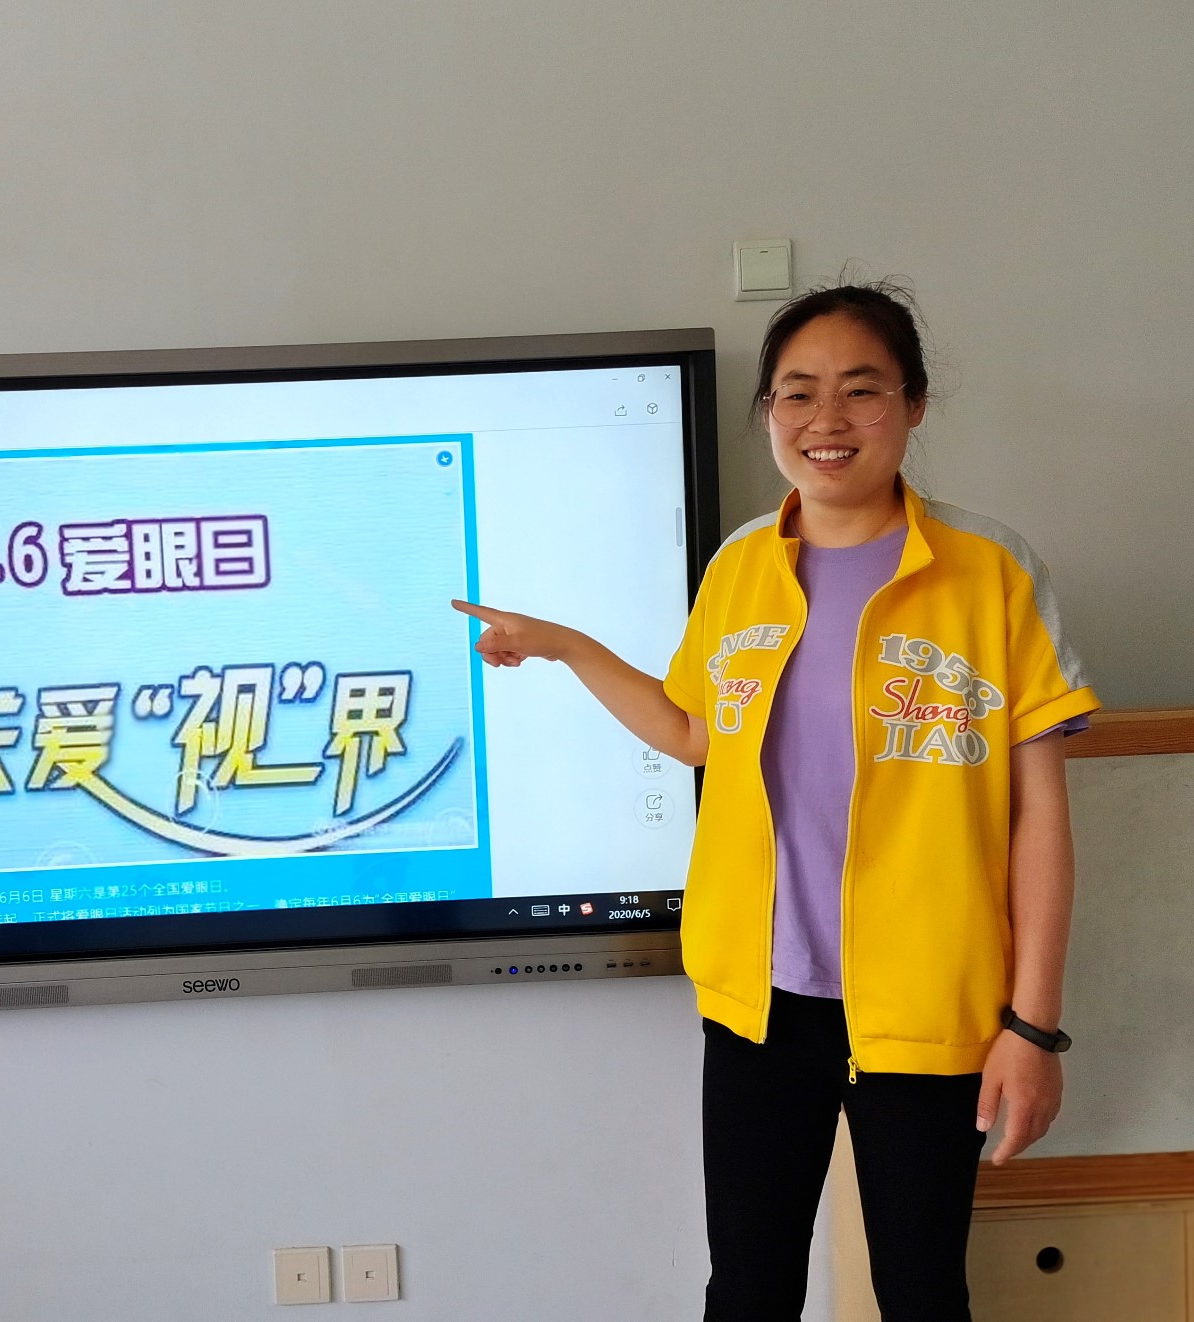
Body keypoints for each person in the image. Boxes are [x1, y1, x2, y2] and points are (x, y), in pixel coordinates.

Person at [453, 282, 1098, 1322]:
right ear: (768, 411)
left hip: (931, 1006)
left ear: (913, 403)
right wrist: (568, 646)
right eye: (797, 392)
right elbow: (696, 733)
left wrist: (1035, 1027)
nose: (825, 418)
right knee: (747, 1290)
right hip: (762, 1002)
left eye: (860, 389)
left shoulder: (993, 571)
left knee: (923, 1293)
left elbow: (1040, 819)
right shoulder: (742, 566)